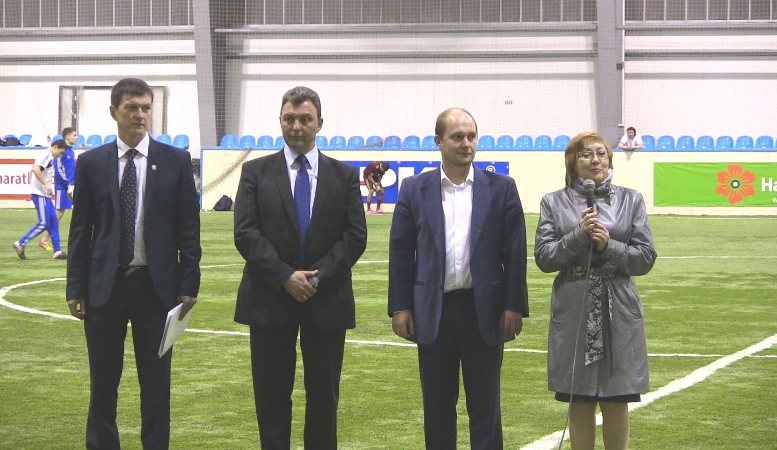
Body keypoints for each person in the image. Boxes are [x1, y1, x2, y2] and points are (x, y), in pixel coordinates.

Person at [66, 78, 201, 450]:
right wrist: (75, 287)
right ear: (114, 112)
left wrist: (189, 284)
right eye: (131, 107)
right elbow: (80, 230)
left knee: (156, 385)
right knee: (103, 385)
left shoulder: (175, 161)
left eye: (145, 108)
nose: (140, 115)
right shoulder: (91, 163)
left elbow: (189, 229)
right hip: (104, 289)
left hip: (157, 290)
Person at [233, 86, 367, 450]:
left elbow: (355, 237)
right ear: (279, 121)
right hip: (269, 299)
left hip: (327, 300)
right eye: (289, 119)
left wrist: (316, 278)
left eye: (305, 119)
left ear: (319, 123)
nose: (296, 126)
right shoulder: (255, 172)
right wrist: (284, 277)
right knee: (271, 398)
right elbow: (246, 233)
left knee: (324, 398)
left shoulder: (344, 175)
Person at [388, 108, 528, 450]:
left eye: (471, 136)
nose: (466, 143)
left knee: (486, 408)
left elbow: (515, 252)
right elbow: (401, 253)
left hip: (485, 311)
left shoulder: (502, 188)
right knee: (437, 407)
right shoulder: (413, 189)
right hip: (433, 311)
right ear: (438, 141)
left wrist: (513, 305)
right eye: (457, 137)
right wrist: (400, 307)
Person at [534, 132, 657, 450]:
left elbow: (645, 258)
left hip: (619, 305)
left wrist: (609, 246)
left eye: (602, 153)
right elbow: (544, 258)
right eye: (586, 154)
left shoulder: (631, 199)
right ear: (571, 162)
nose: (595, 160)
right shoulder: (553, 202)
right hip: (574, 306)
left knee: (618, 396)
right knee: (580, 397)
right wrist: (578, 235)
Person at [12, 139, 69, 260]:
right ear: (55, 147)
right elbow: (36, 169)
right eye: (60, 152)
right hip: (40, 194)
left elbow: (32, 170)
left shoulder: (48, 156)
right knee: (44, 222)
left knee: (53, 221)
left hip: (43, 194)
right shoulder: (46, 155)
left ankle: (57, 251)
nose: (60, 155)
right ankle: (21, 242)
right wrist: (46, 184)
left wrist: (32, 188)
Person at [39, 127, 78, 251]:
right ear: (67, 137)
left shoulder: (70, 151)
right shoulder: (63, 151)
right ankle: (44, 239)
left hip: (71, 185)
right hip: (64, 186)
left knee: (66, 212)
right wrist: (69, 184)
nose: (76, 137)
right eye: (74, 135)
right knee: (59, 213)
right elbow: (60, 170)